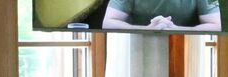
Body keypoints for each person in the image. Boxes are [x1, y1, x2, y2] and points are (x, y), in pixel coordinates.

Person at [91, 0, 221, 30]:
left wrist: (175, 29)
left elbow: (216, 25)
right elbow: (108, 22)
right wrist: (147, 29)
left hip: (187, 46)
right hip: (136, 45)